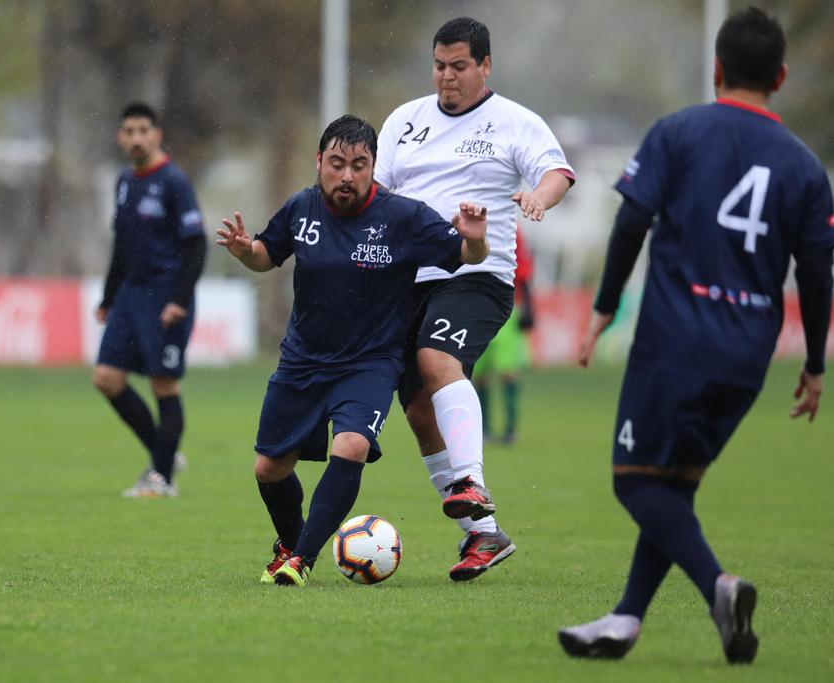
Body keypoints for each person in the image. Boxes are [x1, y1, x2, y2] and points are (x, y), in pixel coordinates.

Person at [558, 7, 834, 664]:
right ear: (781, 76)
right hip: (747, 351)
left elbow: (632, 223)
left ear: (716, 69)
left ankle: (718, 584)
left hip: (675, 341)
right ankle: (626, 618)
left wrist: (603, 306)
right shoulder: (802, 163)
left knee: (635, 482)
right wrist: (817, 361)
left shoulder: (678, 131)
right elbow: (818, 270)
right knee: (674, 483)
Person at [216, 115, 489, 587]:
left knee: (353, 445)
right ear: (319, 162)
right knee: (269, 469)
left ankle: (300, 559)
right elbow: (267, 254)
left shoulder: (403, 217)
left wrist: (476, 237)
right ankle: (292, 543)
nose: (347, 175)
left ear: (373, 167)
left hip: (370, 362)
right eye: (337, 163)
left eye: (358, 165)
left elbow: (467, 257)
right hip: (302, 360)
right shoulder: (301, 209)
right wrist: (246, 252)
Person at [375, 17, 575, 581]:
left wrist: (537, 196)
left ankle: (471, 483)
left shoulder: (515, 122)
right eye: (439, 66)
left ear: (485, 66)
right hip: (408, 279)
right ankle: (483, 536)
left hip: (478, 273)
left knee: (438, 360)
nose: (447, 78)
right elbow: (380, 195)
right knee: (417, 411)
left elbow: (557, 172)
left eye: (459, 67)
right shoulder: (404, 121)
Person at [92, 102, 206, 498]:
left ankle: (161, 479)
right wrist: (108, 297)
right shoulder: (124, 180)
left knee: (163, 384)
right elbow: (121, 246)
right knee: (106, 379)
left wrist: (179, 298)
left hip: (166, 297)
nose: (137, 138)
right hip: (130, 296)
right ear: (120, 138)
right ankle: (165, 453)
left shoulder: (174, 182)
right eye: (129, 131)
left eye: (144, 130)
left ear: (157, 135)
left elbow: (196, 244)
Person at [474, 228, 535, 445]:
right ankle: (484, 429)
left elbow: (524, 272)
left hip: (508, 308)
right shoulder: (464, 222)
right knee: (478, 373)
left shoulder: (510, 229)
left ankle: (510, 430)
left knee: (508, 371)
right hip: (474, 307)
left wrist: (529, 306)